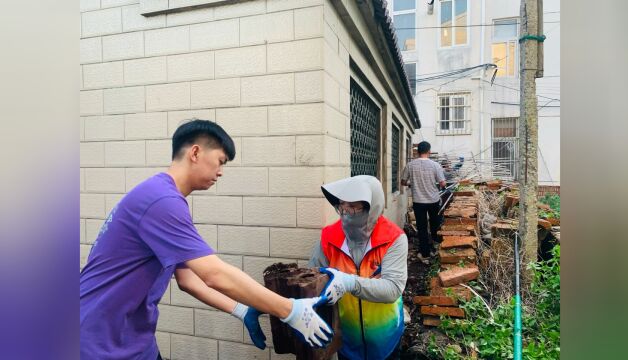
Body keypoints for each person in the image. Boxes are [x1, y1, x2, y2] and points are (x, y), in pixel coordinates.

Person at [80, 119, 333, 360]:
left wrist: (241, 309)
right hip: (99, 342)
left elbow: (188, 280)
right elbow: (215, 274)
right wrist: (290, 310)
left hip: (133, 340)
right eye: (220, 161)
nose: (221, 172)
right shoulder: (161, 201)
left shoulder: (161, 197)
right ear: (196, 153)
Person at [308, 175, 408, 360]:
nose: (346, 213)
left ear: (372, 208)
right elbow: (311, 278)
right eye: (342, 206)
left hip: (385, 337)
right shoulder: (329, 237)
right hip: (347, 339)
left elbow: (392, 289)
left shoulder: (393, 239)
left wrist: (349, 282)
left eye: (353, 207)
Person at [401, 141, 446, 261]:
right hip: (433, 200)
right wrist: (439, 184)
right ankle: (435, 247)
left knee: (421, 227)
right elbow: (442, 183)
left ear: (417, 152)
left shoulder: (410, 165)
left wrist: (412, 183)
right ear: (429, 151)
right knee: (434, 224)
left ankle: (424, 252)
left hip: (419, 201)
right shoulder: (435, 165)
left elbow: (403, 182)